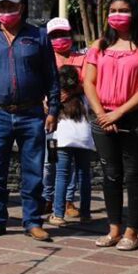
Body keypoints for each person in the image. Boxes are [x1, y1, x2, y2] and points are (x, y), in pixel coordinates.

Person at [0, 0, 60, 242]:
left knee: (32, 170)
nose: (7, 11)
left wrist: (53, 109)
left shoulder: (39, 36)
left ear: (21, 8)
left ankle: (32, 221)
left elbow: (51, 76)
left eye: (12, 6)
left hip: (31, 114)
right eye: (2, 7)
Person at [84, 0, 138, 251]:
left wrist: (118, 113)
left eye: (124, 10)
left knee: (134, 175)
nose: (118, 14)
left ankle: (133, 232)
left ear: (135, 13)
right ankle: (114, 229)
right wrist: (101, 114)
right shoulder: (100, 45)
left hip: (135, 119)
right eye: (114, 10)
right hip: (102, 117)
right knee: (111, 174)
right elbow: (88, 82)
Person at [43, 17, 84, 217]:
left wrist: (73, 91)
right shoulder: (44, 58)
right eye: (55, 35)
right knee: (51, 160)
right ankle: (48, 198)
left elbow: (91, 83)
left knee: (73, 164)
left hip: (75, 118)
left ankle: (68, 201)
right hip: (52, 120)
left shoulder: (82, 59)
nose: (60, 39)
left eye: (63, 34)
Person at [47, 66, 94, 228]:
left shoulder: (55, 98)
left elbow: (46, 110)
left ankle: (58, 214)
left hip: (63, 139)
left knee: (62, 176)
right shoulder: (85, 96)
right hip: (84, 139)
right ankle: (86, 214)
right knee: (84, 176)